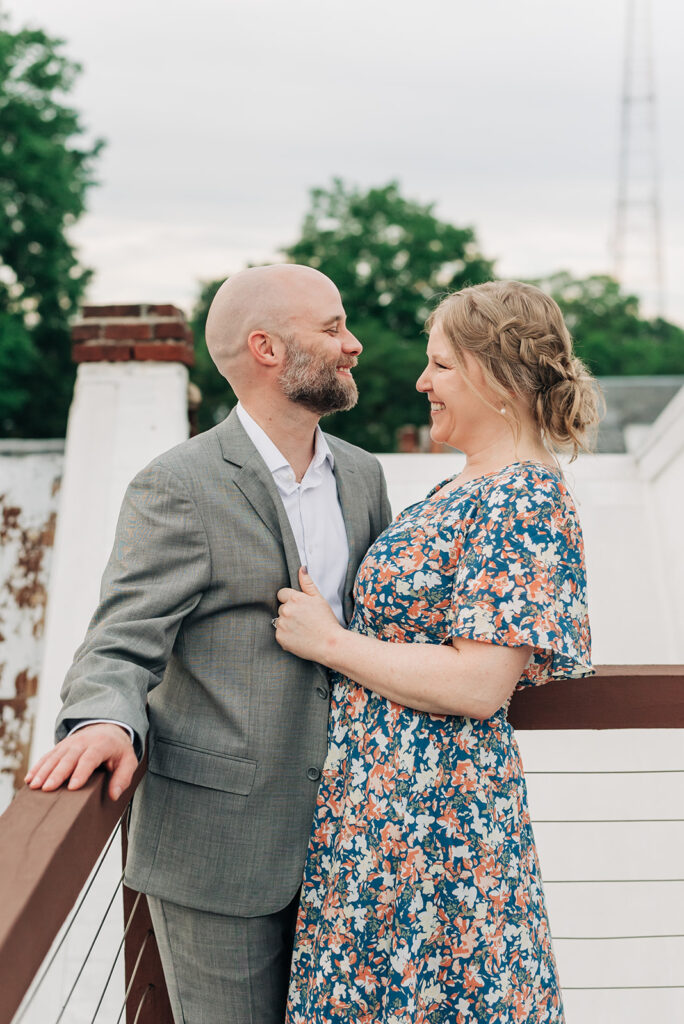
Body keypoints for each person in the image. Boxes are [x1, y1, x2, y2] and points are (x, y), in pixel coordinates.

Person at [25, 264, 392, 1024]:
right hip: (217, 848)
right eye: (331, 328)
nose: (353, 344)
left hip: (351, 841)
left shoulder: (362, 476)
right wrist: (102, 719)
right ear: (266, 348)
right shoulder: (178, 484)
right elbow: (121, 641)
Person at [274, 280, 602, 1024]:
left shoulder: (523, 500)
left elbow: (481, 682)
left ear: (499, 375)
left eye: (442, 365)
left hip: (438, 830)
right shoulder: (467, 486)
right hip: (383, 818)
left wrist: (331, 643)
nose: (423, 381)